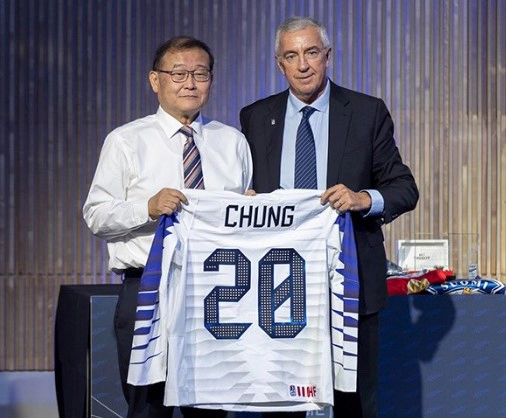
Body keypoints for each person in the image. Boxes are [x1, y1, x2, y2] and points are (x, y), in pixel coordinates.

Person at [240, 16, 419, 418]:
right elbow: (243, 191)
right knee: (280, 402)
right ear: (279, 64)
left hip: (349, 280)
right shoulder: (255, 117)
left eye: (311, 53)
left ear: (328, 56)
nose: (303, 64)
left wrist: (362, 198)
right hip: (278, 285)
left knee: (354, 403)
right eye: (291, 56)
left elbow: (404, 188)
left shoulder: (367, 112)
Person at [83, 36, 253, 418]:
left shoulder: (233, 142)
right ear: (155, 80)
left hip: (219, 293)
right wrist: (147, 207)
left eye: (200, 73)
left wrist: (250, 210)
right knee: (148, 409)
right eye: (178, 73)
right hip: (148, 289)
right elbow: (96, 215)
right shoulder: (126, 141)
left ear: (211, 80)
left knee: (211, 409)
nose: (190, 83)